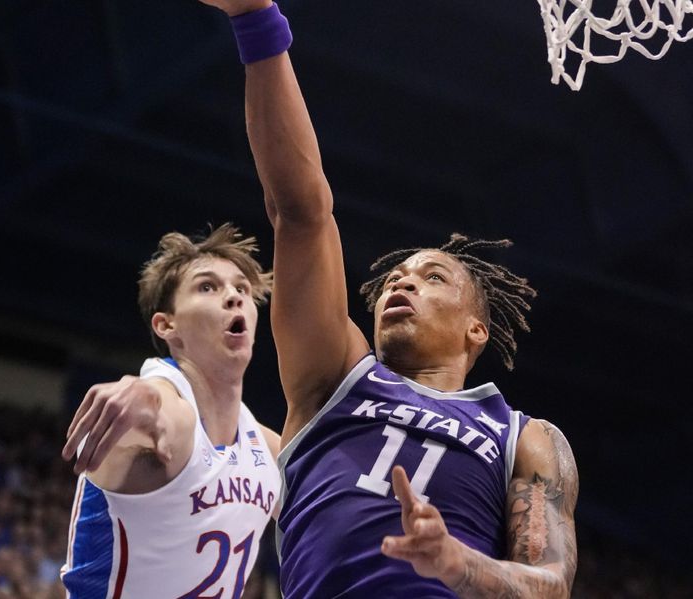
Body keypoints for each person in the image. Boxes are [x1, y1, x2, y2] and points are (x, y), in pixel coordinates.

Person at [199, 1, 579, 597]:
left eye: (433, 278)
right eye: (394, 278)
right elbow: (300, 212)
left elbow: (551, 583)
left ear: (475, 330)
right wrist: (255, 17)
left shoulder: (525, 437)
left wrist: (459, 563)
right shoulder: (335, 378)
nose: (402, 283)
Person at [60, 224, 281, 598]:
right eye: (207, 286)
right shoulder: (167, 411)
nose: (233, 297)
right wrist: (142, 400)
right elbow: (153, 412)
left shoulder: (268, 448)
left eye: (241, 288)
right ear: (167, 325)